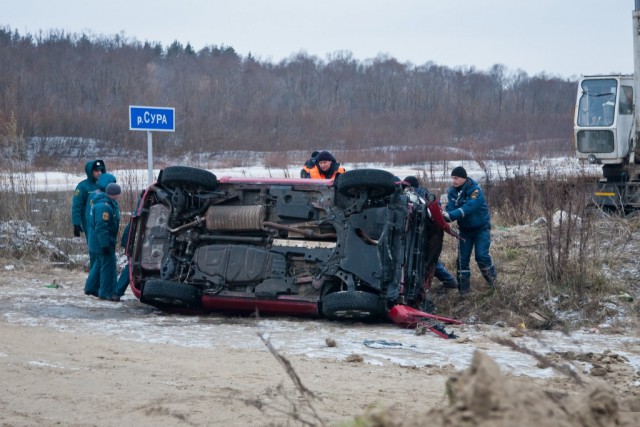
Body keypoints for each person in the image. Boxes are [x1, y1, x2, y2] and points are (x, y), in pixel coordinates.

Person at [444, 166, 496, 294]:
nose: (453, 181)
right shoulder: (452, 192)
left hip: (481, 229)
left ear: (464, 178)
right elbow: (450, 209)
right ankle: (464, 291)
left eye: (456, 178)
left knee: (481, 256)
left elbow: (469, 207)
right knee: (462, 260)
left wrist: (451, 215)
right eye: (452, 178)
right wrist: (445, 216)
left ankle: (493, 283)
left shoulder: (475, 189)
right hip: (465, 231)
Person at [403, 176, 458, 293]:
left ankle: (449, 282)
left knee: (427, 259)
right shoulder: (422, 194)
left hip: (427, 234)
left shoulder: (420, 197)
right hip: (422, 234)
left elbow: (433, 215)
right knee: (427, 260)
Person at [84, 183, 122, 301]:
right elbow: (101, 227)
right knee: (107, 266)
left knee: (99, 264)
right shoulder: (103, 207)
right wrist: (105, 244)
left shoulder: (104, 203)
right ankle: (105, 293)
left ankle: (90, 287)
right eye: (118, 194)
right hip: (102, 242)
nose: (119, 197)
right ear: (113, 194)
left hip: (97, 241)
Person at [71, 160, 106, 245]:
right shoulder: (83, 186)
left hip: (103, 220)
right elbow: (76, 206)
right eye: (96, 171)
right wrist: (76, 223)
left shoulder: (104, 184)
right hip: (89, 222)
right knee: (93, 246)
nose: (99, 173)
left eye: (101, 170)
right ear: (90, 172)